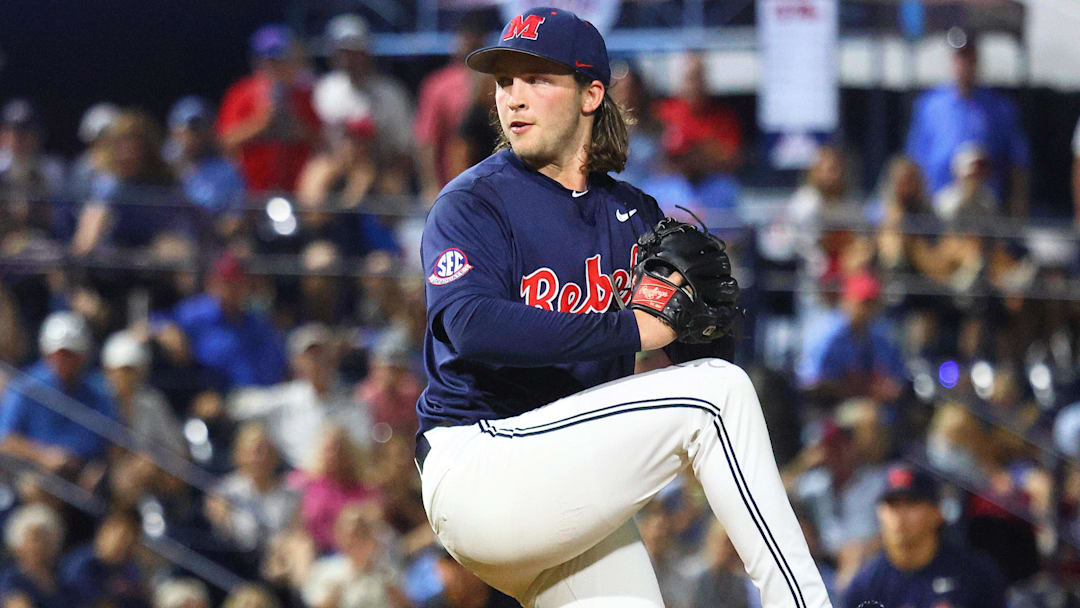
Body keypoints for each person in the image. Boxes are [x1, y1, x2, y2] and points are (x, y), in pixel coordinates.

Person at [416, 8, 831, 607]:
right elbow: (472, 326)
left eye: (538, 79)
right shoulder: (473, 201)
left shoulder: (636, 217)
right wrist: (631, 327)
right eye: (506, 80)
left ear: (591, 94)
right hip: (480, 464)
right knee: (715, 395)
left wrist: (702, 325)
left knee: (715, 381)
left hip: (566, 488)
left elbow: (694, 348)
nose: (514, 97)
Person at [843, 463, 1007, 608]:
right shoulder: (864, 587)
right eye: (892, 505)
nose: (900, 516)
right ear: (880, 513)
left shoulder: (976, 574)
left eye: (911, 503)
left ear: (937, 512)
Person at [905, 29, 1029, 217]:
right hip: (938, 203)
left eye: (968, 57)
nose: (964, 64)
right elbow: (915, 157)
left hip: (984, 204)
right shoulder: (930, 104)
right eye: (959, 57)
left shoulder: (999, 107)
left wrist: (1017, 207)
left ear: (976, 60)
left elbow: (1018, 160)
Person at [228, 322, 372, 467]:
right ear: (297, 362)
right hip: (296, 481)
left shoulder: (351, 400)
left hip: (338, 478)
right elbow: (239, 405)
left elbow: (363, 444)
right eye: (310, 356)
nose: (317, 361)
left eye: (322, 353)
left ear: (333, 358)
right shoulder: (285, 398)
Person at [0, 311, 117, 472]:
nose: (63, 361)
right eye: (58, 355)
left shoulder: (98, 392)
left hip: (87, 473)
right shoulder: (25, 388)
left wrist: (99, 469)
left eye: (70, 355)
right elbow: (5, 440)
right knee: (34, 488)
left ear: (83, 356)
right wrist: (42, 456)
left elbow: (113, 444)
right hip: (39, 473)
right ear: (47, 354)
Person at [314, 14, 414, 193]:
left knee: (389, 191)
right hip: (336, 164)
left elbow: (404, 150)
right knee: (314, 183)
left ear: (367, 52)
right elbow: (318, 142)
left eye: (355, 52)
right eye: (343, 51)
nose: (349, 58)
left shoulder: (390, 92)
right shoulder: (325, 89)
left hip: (383, 166)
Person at [216, 24, 320, 193]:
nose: (273, 66)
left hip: (295, 190)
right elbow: (225, 141)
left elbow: (320, 142)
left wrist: (295, 125)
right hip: (250, 191)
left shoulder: (305, 95)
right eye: (268, 59)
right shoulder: (241, 93)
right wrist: (261, 123)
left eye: (279, 59)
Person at [414, 13, 487, 203]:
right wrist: (430, 185)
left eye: (475, 35)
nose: (469, 40)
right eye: (465, 35)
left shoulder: (496, 80)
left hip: (493, 180)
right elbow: (426, 139)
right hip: (452, 183)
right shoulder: (438, 84)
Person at [165, 96, 246, 238]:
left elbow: (235, 220)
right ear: (174, 131)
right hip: (167, 244)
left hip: (211, 246)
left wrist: (206, 233)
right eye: (188, 129)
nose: (193, 135)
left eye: (199, 129)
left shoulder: (227, 171)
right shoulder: (162, 166)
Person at [59, 509, 149, 608]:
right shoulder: (79, 564)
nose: (126, 545)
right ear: (105, 530)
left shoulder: (129, 571)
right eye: (123, 537)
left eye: (132, 540)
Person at [0, 504, 67, 608]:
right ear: (18, 546)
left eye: (48, 537)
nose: (42, 544)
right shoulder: (12, 581)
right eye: (35, 539)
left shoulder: (64, 580)